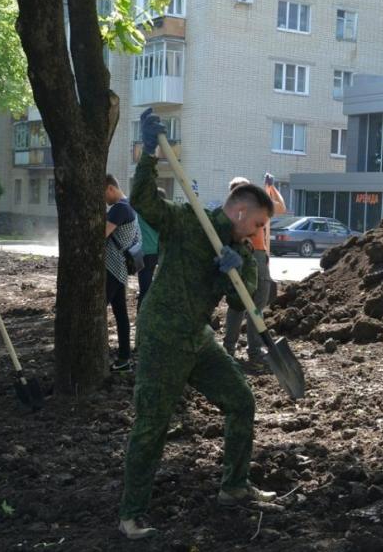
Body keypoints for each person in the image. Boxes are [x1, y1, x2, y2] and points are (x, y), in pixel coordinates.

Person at [118, 109, 277, 540]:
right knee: (152, 422)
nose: (258, 233)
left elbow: (241, 294)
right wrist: (148, 153)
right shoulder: (188, 222)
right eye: (259, 224)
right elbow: (144, 203)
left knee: (242, 401)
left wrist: (233, 269)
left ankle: (234, 486)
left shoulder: (239, 250)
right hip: (163, 335)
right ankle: (131, 513)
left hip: (198, 338)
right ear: (240, 211)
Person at [222, 175, 284, 363]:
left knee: (248, 303)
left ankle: (233, 349)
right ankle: (249, 350)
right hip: (251, 255)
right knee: (244, 303)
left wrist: (270, 189)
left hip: (258, 255)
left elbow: (280, 208)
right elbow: (279, 207)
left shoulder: (244, 208)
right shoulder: (241, 211)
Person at [105, 174, 141, 372]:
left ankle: (119, 358)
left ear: (111, 188)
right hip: (120, 269)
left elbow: (101, 233)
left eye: (104, 194)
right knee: (121, 315)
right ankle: (124, 359)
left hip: (112, 267)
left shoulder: (120, 208)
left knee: (99, 310)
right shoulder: (129, 206)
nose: (104, 200)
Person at [132, 187, 165, 352]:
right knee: (151, 293)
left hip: (145, 256)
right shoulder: (162, 215)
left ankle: (141, 336)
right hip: (156, 255)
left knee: (145, 292)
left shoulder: (142, 212)